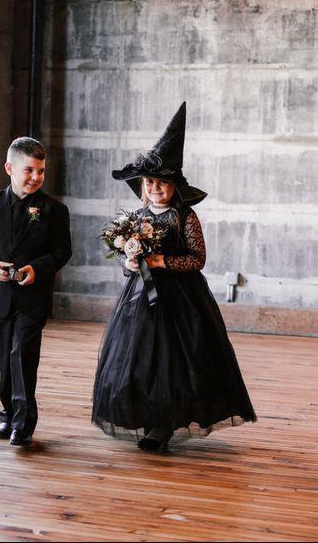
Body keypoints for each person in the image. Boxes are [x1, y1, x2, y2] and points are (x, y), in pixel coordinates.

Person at [92, 103, 257, 451]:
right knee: (138, 359)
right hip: (139, 299)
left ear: (174, 186)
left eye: (162, 183)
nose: (155, 188)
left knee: (174, 361)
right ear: (142, 185)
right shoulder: (135, 217)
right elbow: (127, 259)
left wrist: (162, 261)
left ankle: (164, 424)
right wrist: (132, 263)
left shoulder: (186, 217)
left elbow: (198, 259)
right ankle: (144, 414)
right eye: (150, 182)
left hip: (180, 300)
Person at [0, 137, 72, 446]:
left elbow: (62, 251)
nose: (36, 177)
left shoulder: (54, 210)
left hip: (32, 297)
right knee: (5, 358)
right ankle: (8, 415)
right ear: (9, 168)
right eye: (29, 170)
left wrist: (37, 269)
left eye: (41, 171)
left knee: (21, 355)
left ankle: (24, 424)